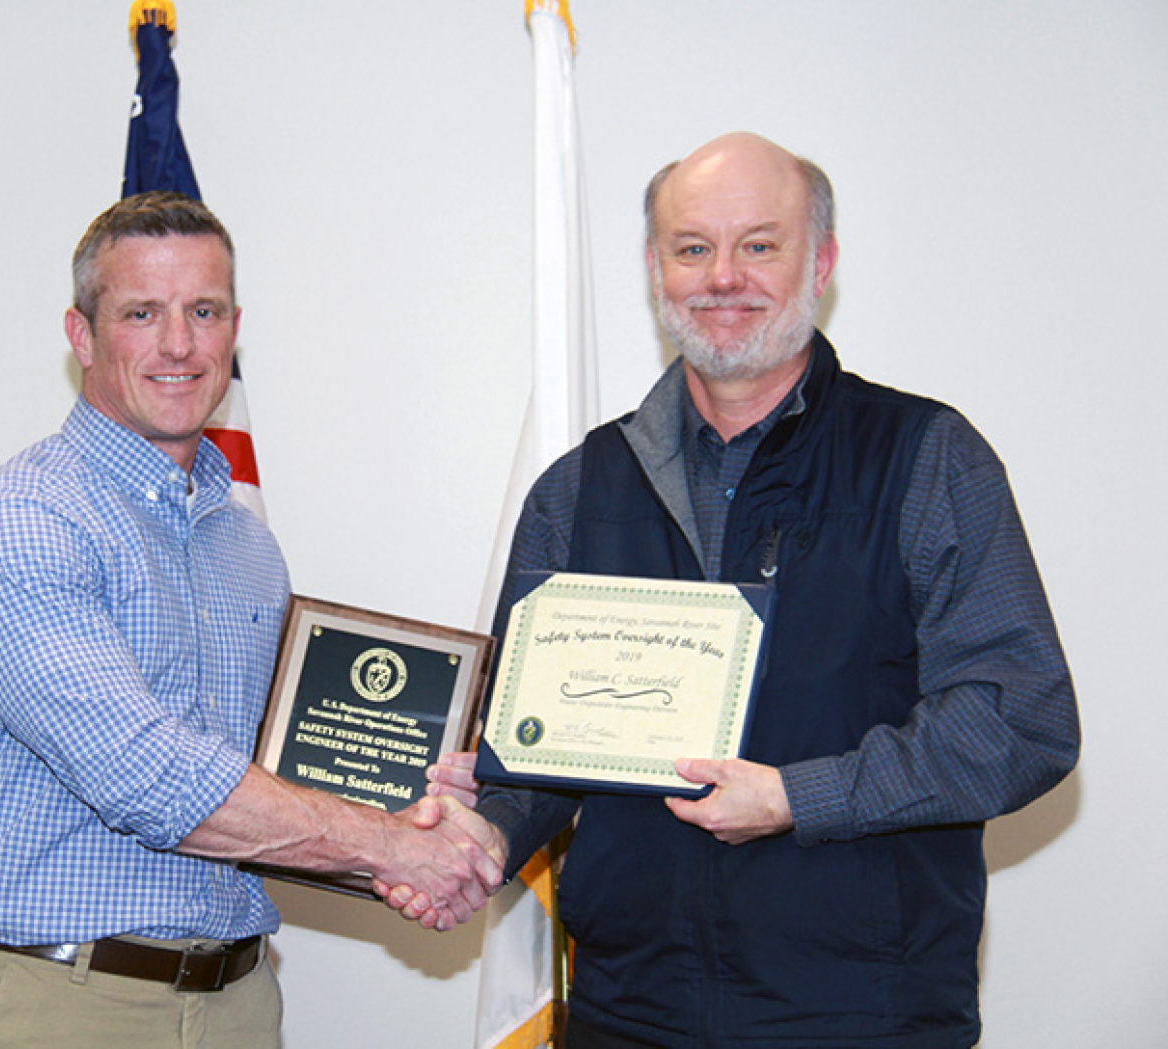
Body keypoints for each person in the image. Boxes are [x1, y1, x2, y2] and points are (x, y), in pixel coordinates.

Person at [395, 133, 1080, 1048]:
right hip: (626, 1014)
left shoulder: (926, 458)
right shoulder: (577, 489)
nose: (723, 276)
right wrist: (483, 833)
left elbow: (1020, 719)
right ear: (655, 270)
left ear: (821, 262)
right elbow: (543, 749)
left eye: (760, 244)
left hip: (861, 1019)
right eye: (692, 248)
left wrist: (802, 795)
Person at [0, 191, 502, 1049]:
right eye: (142, 313)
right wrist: (392, 846)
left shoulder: (245, 548)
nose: (179, 344)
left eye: (204, 311)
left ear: (234, 328)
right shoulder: (17, 522)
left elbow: (292, 765)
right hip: (54, 1002)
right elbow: (144, 774)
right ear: (82, 336)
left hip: (236, 998)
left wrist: (424, 794)